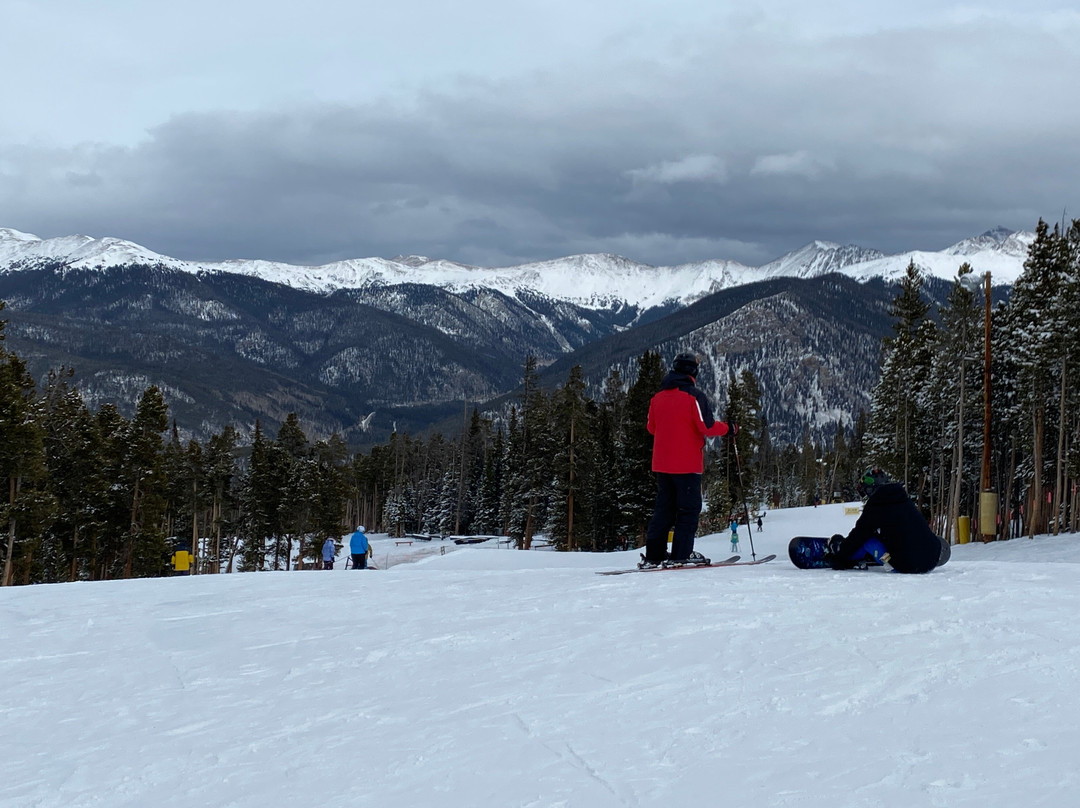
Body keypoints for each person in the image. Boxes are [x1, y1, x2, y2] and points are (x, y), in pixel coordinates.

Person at [640, 353, 736, 568]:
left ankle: (654, 555)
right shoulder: (694, 396)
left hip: (662, 465)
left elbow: (651, 428)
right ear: (693, 372)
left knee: (663, 510)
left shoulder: (658, 398)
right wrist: (729, 428)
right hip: (687, 465)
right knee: (688, 510)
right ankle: (681, 554)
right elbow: (708, 427)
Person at [824, 468, 942, 574]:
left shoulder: (877, 505)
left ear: (871, 489)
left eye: (866, 491)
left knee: (868, 541)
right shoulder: (904, 500)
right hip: (932, 559)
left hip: (905, 565)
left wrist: (839, 558)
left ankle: (851, 556)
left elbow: (859, 535)